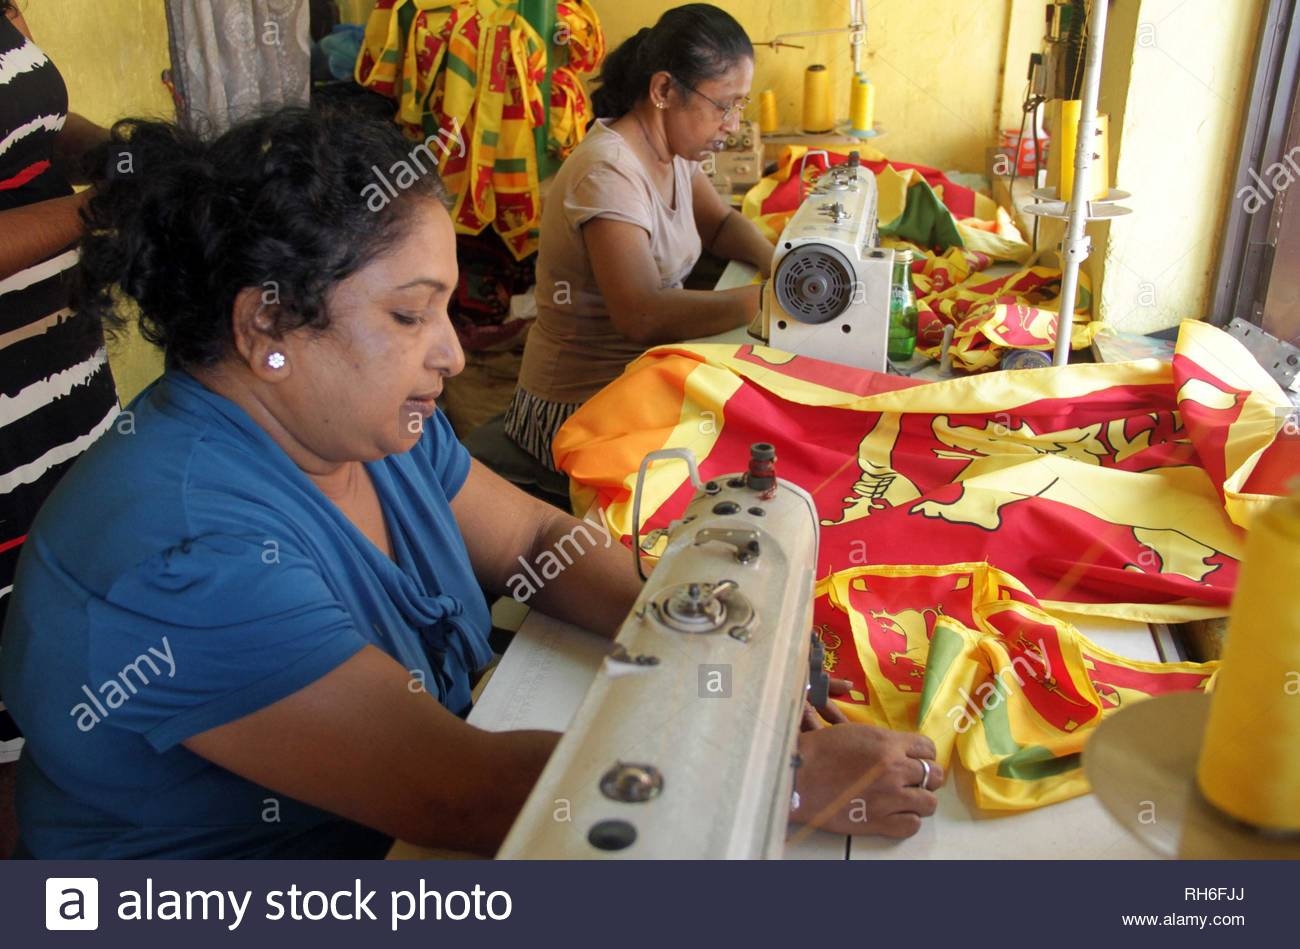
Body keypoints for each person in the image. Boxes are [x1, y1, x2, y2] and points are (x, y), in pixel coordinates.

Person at [0, 107, 941, 858]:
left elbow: (538, 544)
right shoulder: (182, 553)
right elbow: (466, 791)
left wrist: (706, 633)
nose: (453, 352)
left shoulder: (363, 427)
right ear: (265, 327)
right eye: (412, 315)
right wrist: (787, 781)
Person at [506, 3, 774, 470]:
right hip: (578, 412)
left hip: (635, 386)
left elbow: (721, 224)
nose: (732, 124)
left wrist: (780, 265)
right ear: (664, 89)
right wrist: (770, 301)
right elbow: (642, 314)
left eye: (740, 105)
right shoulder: (609, 170)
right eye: (723, 105)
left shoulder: (676, 150)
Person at [0, 0, 119, 778]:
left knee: (82, 614)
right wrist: (101, 206)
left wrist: (123, 155)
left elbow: (33, 125)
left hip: (63, 372)